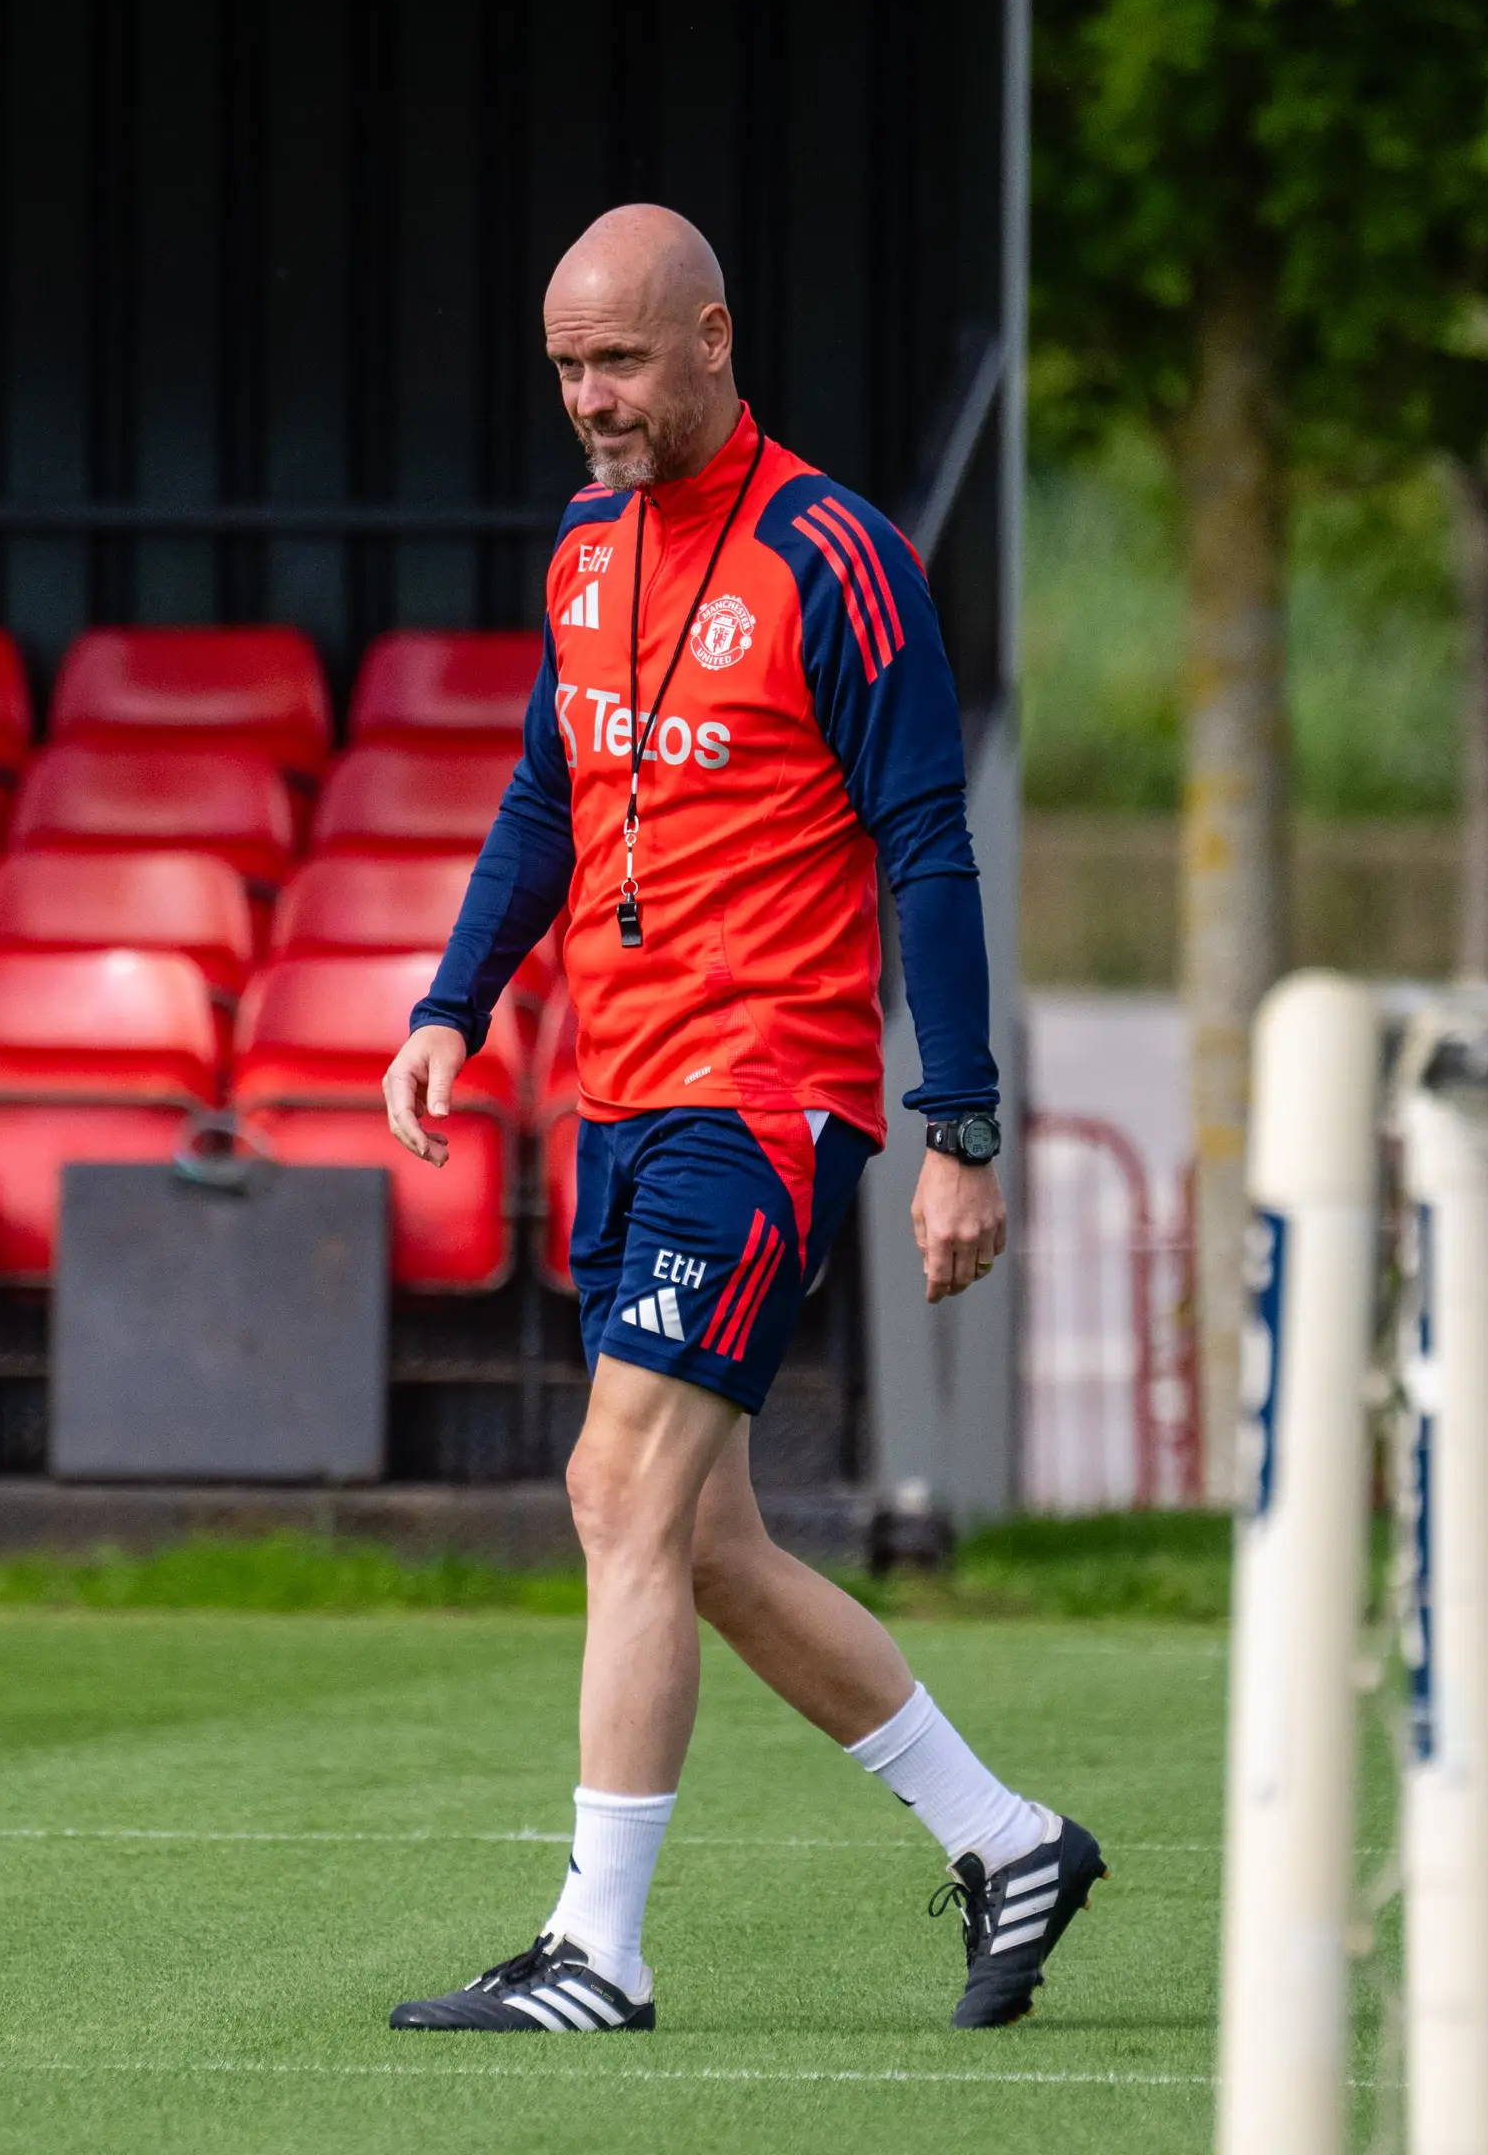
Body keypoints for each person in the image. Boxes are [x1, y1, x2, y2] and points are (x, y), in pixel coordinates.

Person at [379, 204, 1098, 2036]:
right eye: (563, 369)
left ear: (713, 338)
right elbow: (548, 792)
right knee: (695, 1540)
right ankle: (1005, 1838)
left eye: (618, 361)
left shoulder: (837, 554)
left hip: (765, 1096)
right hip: (619, 1090)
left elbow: (930, 846)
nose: (590, 401)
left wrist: (962, 1127)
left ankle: (597, 1955)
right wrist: (454, 1001)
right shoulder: (581, 549)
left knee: (616, 1491)